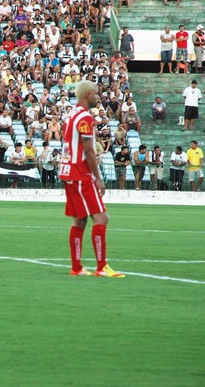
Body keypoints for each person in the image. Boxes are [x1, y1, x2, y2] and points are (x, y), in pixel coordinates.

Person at [58, 80, 124, 278]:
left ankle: (76, 268)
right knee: (101, 217)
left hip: (68, 171)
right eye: (96, 94)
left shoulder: (71, 114)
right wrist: (98, 177)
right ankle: (101, 267)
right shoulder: (85, 117)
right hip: (80, 173)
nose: (98, 97)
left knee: (80, 220)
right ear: (88, 96)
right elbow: (88, 148)